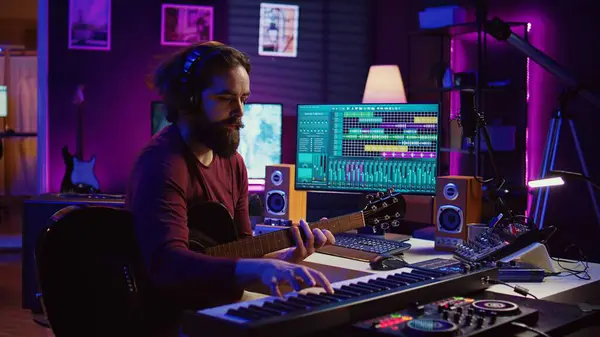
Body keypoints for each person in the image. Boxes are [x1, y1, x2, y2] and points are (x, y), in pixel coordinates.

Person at [125, 41, 335, 336]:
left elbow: (242, 251)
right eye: (226, 98)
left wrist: (284, 260)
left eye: (244, 99)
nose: (240, 112)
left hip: (216, 299)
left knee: (320, 309)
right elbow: (166, 264)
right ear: (191, 100)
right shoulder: (162, 164)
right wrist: (261, 270)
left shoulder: (233, 163)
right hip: (172, 315)